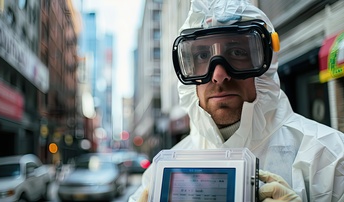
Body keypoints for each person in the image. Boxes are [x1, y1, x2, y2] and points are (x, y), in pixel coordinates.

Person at [129, 0, 344, 201]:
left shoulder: (330, 157)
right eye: (202, 56)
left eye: (238, 52)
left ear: (266, 65)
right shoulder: (160, 174)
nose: (219, 74)